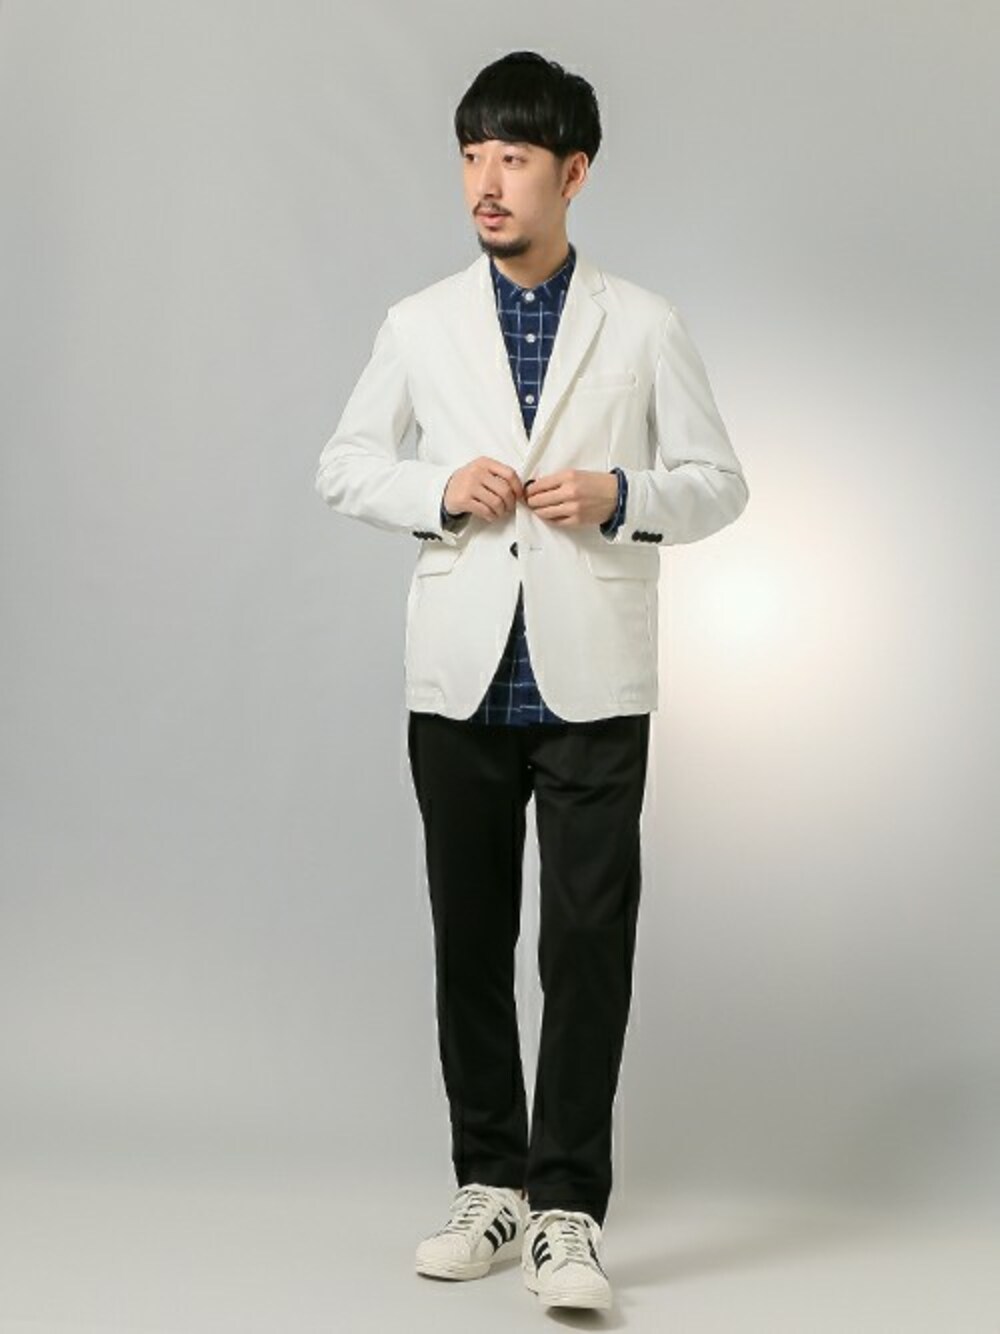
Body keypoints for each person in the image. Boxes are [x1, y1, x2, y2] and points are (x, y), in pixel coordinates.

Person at [314, 50, 749, 1312]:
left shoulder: (643, 322)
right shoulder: (418, 323)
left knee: (586, 945)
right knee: (469, 939)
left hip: (593, 679)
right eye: (471, 156)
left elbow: (718, 484)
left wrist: (622, 494)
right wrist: (436, 487)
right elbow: (345, 463)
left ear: (573, 172)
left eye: (511, 156)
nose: (485, 183)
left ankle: (566, 1209)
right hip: (459, 678)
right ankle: (487, 1185)